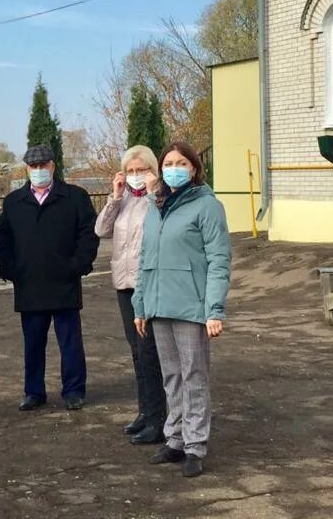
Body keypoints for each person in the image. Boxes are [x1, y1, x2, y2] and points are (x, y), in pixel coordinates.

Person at [132, 141, 231, 478]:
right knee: (172, 376)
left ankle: (195, 446)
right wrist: (140, 304)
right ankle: (174, 439)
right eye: (168, 162)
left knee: (194, 377)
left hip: (191, 307)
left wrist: (214, 309)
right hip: (159, 306)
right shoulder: (156, 206)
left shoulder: (207, 206)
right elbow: (146, 259)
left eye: (181, 162)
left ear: (193, 168)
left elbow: (219, 260)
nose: (174, 167)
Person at [0, 143, 100, 411]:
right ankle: (33, 392)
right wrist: (9, 269)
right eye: (34, 166)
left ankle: (74, 390)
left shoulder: (75, 197)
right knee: (33, 343)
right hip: (29, 283)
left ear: (53, 166)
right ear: (27, 169)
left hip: (64, 281)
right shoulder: (14, 202)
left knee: (70, 343)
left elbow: (88, 233)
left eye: (43, 165)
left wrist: (78, 264)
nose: (38, 170)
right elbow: (3, 238)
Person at [95, 145, 167, 445]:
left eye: (142, 170)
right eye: (131, 171)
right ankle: (145, 411)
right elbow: (101, 230)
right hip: (124, 284)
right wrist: (115, 197)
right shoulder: (123, 199)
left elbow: (165, 224)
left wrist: (152, 192)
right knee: (137, 353)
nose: (136, 176)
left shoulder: (161, 199)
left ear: (152, 170)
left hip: (148, 284)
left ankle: (159, 419)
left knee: (150, 352)